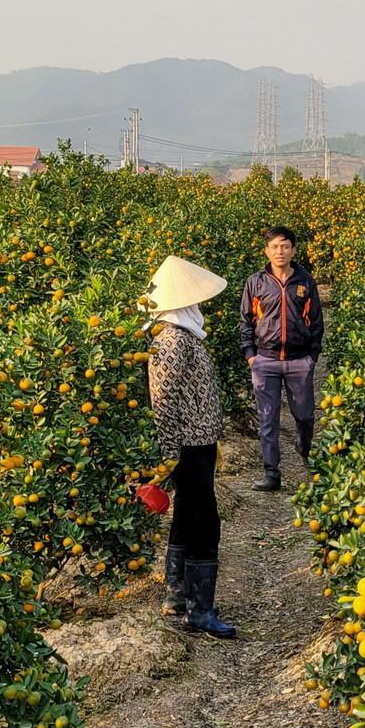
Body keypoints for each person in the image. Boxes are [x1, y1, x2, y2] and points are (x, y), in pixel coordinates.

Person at [143, 254, 237, 638]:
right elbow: (162, 400)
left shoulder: (179, 336)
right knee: (204, 521)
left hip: (194, 442)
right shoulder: (172, 340)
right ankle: (200, 610)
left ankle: (177, 596)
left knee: (186, 514)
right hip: (187, 444)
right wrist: (168, 454)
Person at [239, 225, 324, 492]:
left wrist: (312, 355)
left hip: (299, 361)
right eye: (275, 247)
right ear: (267, 251)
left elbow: (317, 321)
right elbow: (246, 321)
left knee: (305, 415)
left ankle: (304, 447)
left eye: (285, 246)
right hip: (265, 360)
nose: (280, 251)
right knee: (268, 418)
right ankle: (271, 473)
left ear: (293, 250)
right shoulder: (256, 282)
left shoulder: (305, 281)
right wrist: (251, 355)